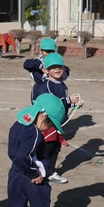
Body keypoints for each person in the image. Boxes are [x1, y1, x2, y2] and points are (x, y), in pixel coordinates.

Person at [5, 93, 65, 207]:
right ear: (43, 116)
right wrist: (33, 173)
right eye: (50, 124)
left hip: (15, 176)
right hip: (34, 180)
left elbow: (14, 154)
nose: (48, 129)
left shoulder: (17, 125)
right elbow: (23, 156)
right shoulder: (35, 133)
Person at [31, 53, 81, 184]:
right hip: (48, 122)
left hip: (57, 121)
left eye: (60, 66)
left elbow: (60, 103)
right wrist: (69, 101)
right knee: (48, 146)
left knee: (56, 147)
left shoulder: (61, 84)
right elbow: (51, 105)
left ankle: (49, 171)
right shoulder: (46, 85)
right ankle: (41, 171)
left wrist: (73, 104)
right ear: (45, 70)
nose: (57, 69)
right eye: (53, 67)